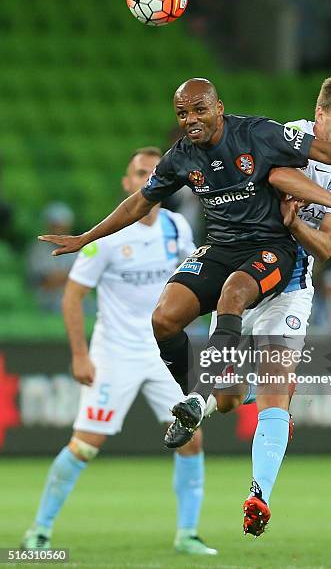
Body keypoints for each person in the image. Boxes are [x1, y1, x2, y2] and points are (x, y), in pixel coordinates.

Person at [38, 78, 331, 454]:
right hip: (221, 249)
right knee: (164, 319)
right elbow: (139, 202)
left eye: (200, 109)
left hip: (271, 249)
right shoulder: (181, 156)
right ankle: (208, 393)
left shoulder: (257, 133)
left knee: (232, 294)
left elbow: (323, 152)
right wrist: (87, 237)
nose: (192, 119)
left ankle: (196, 399)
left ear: (218, 108)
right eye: (183, 113)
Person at [176, 75, 331, 536]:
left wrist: (295, 224)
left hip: (292, 286)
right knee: (227, 403)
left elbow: (325, 247)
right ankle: (221, 395)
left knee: (274, 388)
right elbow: (275, 176)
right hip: (244, 273)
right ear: (319, 114)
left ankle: (257, 494)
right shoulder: (290, 137)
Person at [22, 147, 217, 556]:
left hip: (163, 352)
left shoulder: (178, 227)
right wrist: (80, 354)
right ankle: (38, 530)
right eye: (140, 172)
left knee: (191, 440)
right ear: (128, 183)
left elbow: (193, 280)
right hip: (116, 352)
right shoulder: (107, 235)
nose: (148, 178)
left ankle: (188, 534)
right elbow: (73, 296)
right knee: (86, 444)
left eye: (155, 172)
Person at [27, 202, 77, 312]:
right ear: (48, 225)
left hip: (74, 297)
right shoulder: (38, 249)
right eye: (56, 225)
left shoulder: (76, 247)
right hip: (46, 299)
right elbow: (43, 280)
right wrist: (68, 276)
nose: (59, 229)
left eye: (62, 226)